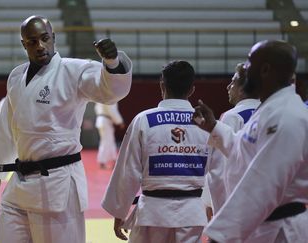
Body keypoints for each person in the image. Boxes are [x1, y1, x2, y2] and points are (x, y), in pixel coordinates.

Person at [0, 15, 132, 243]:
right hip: (20, 184)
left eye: (45, 39)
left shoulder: (73, 70)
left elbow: (108, 92)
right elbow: (7, 129)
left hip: (58, 184)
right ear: (24, 44)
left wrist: (111, 63)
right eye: (32, 41)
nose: (40, 46)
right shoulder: (16, 77)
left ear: (54, 38)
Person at [193, 40, 308, 242]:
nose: (246, 68)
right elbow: (243, 150)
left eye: (249, 62)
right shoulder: (269, 109)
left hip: (281, 230)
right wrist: (214, 127)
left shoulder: (287, 115)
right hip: (261, 226)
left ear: (265, 69)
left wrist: (221, 234)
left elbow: (263, 182)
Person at [102, 61, 209, 243]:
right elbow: (219, 174)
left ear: (162, 85)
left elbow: (128, 169)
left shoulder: (144, 119)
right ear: (191, 89)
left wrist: (119, 211)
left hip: (152, 214)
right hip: (192, 214)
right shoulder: (207, 124)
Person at [202, 63, 260, 215]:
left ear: (242, 89)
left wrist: (213, 206)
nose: (228, 86)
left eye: (233, 81)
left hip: (238, 201)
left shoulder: (233, 116)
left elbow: (219, 168)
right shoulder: (271, 112)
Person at [94, 102, 125, 169]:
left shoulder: (100, 97)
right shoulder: (110, 97)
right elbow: (112, 111)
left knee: (108, 141)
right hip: (105, 120)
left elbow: (96, 108)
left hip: (101, 119)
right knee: (106, 141)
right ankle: (103, 161)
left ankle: (113, 160)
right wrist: (120, 121)